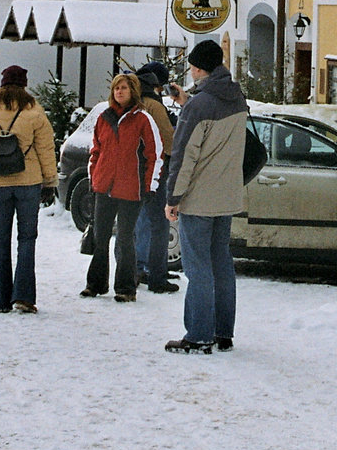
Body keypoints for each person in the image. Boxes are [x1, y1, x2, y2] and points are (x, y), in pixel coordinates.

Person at [164, 39, 247, 354]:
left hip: (198, 198)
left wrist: (173, 198)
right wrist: (187, 102)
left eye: (193, 65)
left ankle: (199, 334)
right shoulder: (236, 98)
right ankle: (223, 332)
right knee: (221, 263)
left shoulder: (198, 107)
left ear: (199, 67)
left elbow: (184, 158)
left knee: (197, 267)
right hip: (227, 195)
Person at [0, 65, 58, 314]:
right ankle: (23, 297)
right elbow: (46, 149)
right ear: (24, 85)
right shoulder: (35, 112)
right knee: (27, 239)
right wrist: (49, 182)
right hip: (28, 182)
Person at [83, 72, 163, 303]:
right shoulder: (103, 118)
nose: (119, 92)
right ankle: (95, 284)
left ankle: (126, 288)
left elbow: (155, 154)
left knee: (126, 238)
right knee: (101, 236)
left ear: (133, 92)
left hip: (131, 189)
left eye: (124, 88)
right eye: (116, 88)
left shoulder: (143, 119)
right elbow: (95, 151)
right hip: (104, 186)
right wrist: (94, 179)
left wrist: (150, 186)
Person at [132, 61, 179, 294]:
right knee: (159, 222)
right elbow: (168, 140)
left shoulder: (127, 101)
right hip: (155, 170)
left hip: (131, 170)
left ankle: (136, 267)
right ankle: (156, 275)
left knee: (136, 220)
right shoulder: (152, 105)